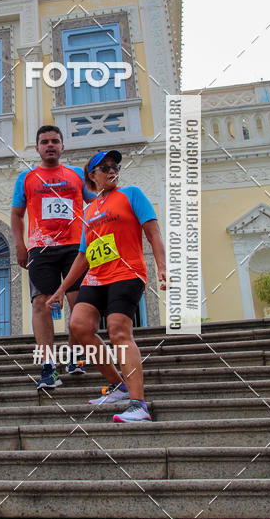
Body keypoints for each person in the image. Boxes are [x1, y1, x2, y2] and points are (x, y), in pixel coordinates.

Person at [46, 149, 167, 423]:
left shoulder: (132, 194)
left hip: (126, 272)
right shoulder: (89, 210)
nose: (112, 171)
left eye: (115, 167)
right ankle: (118, 385)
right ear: (92, 175)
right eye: (105, 167)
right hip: (96, 276)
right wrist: (62, 288)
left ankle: (139, 405)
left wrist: (161, 267)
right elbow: (83, 255)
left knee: (118, 331)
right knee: (79, 326)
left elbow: (153, 233)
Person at [11, 125, 94, 390]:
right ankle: (48, 366)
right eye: (45, 141)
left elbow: (97, 201)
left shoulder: (77, 174)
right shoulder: (26, 177)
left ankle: (73, 355)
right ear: (37, 148)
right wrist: (19, 246)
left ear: (62, 146)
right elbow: (16, 214)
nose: (50, 145)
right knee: (41, 303)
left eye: (55, 141)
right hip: (40, 248)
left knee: (78, 303)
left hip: (76, 248)